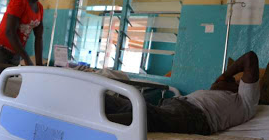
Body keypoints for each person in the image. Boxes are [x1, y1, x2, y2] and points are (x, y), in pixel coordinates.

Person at [106, 51, 260, 135]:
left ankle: (93, 124)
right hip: (175, 106)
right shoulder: (218, 92)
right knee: (125, 104)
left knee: (145, 115)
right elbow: (218, 84)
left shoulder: (246, 102)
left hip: (196, 117)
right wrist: (223, 80)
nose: (233, 80)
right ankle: (87, 109)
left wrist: (225, 75)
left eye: (235, 80)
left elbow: (249, 58)